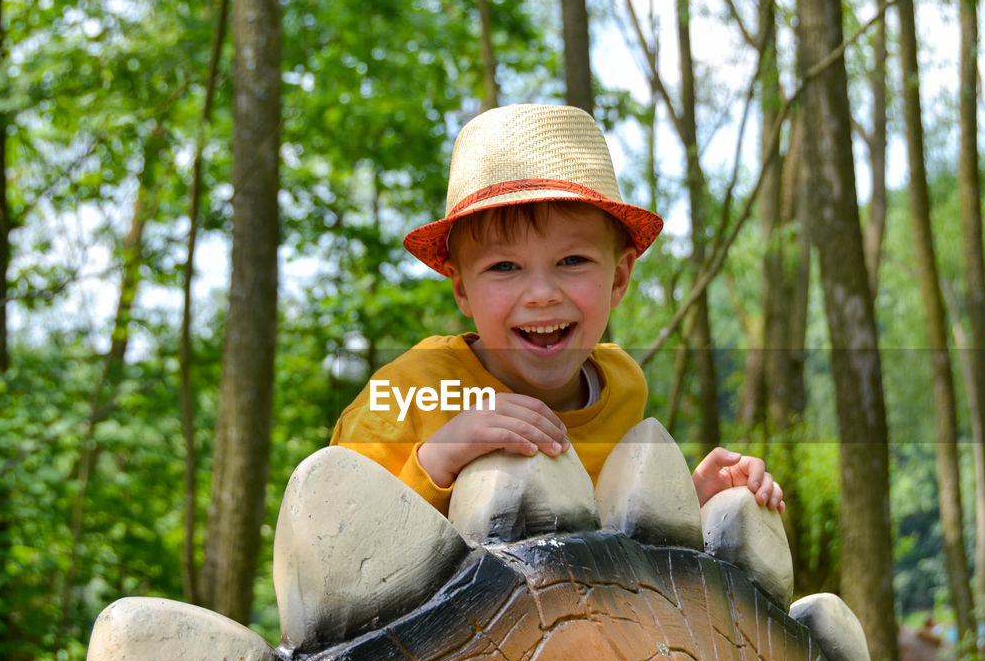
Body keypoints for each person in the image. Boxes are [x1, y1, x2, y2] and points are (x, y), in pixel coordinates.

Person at [331, 103, 783, 517]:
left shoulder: (621, 387)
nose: (542, 294)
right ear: (462, 289)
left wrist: (688, 500)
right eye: (504, 266)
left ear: (619, 278)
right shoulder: (413, 390)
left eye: (572, 261)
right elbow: (335, 529)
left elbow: (605, 531)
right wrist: (439, 456)